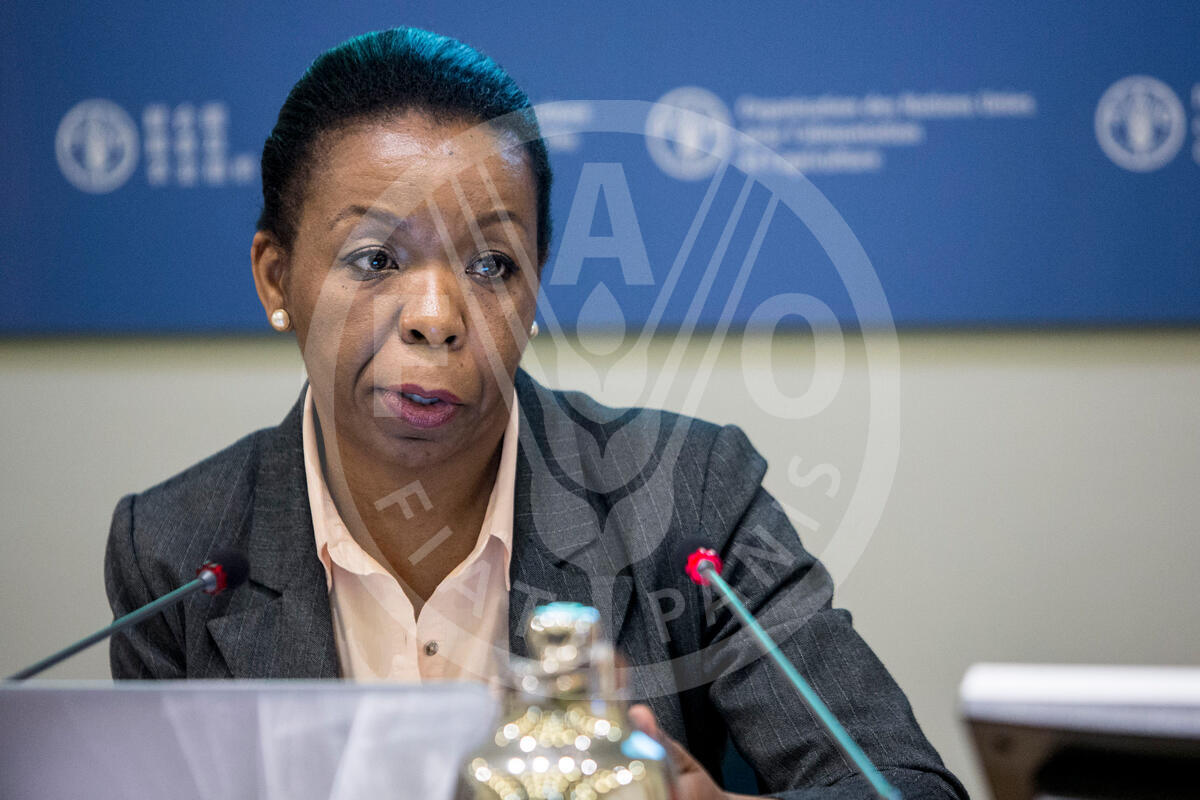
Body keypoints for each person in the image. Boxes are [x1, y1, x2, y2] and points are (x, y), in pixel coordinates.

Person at [104, 27, 965, 799]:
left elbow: (904, 786)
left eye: (491, 265)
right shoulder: (174, 554)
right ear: (275, 278)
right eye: (375, 259)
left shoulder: (694, 499)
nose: (436, 317)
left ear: (536, 284)